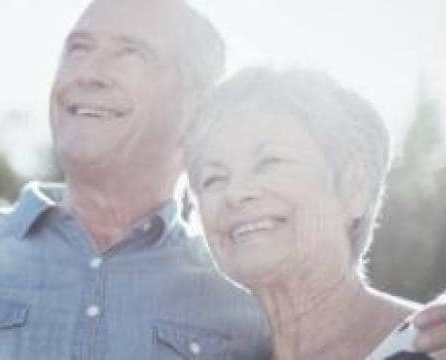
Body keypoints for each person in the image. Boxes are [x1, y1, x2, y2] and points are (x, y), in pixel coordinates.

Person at [0, 1, 272, 359]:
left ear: (196, 109)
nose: (88, 73)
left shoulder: (246, 305)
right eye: (78, 48)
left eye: (130, 52)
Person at [187, 67, 446, 359]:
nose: (235, 193)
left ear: (353, 187)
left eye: (269, 162)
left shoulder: (434, 346)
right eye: (213, 179)